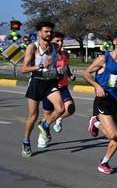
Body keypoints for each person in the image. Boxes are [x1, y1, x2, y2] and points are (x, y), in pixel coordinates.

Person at [81, 30, 117, 175]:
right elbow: (85, 73)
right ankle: (96, 122)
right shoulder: (104, 59)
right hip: (104, 99)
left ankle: (103, 162)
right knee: (113, 135)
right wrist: (97, 86)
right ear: (115, 42)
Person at [19, 21, 65, 157]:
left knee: (61, 109)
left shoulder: (55, 46)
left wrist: (59, 71)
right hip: (36, 83)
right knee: (32, 116)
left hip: (50, 82)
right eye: (46, 31)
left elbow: (54, 63)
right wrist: (41, 65)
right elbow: (23, 69)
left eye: (51, 31)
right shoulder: (32, 47)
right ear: (39, 33)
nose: (49, 34)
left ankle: (45, 126)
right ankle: (26, 141)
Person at [40, 31, 76, 139]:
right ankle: (42, 137)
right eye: (57, 41)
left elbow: (66, 66)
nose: (60, 43)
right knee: (47, 115)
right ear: (50, 42)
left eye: (61, 41)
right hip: (49, 89)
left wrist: (70, 75)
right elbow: (41, 71)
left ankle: (58, 118)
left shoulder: (65, 54)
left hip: (63, 87)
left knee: (70, 109)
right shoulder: (47, 55)